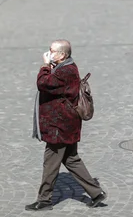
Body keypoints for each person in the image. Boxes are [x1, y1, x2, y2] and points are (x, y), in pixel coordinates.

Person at [26, 40, 106, 211]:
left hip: (59, 127)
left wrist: (45, 65)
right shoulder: (66, 67)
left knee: (50, 163)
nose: (49, 53)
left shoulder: (66, 71)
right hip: (66, 125)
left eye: (52, 51)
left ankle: (44, 200)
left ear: (62, 55)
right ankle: (96, 193)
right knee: (71, 159)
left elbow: (43, 83)